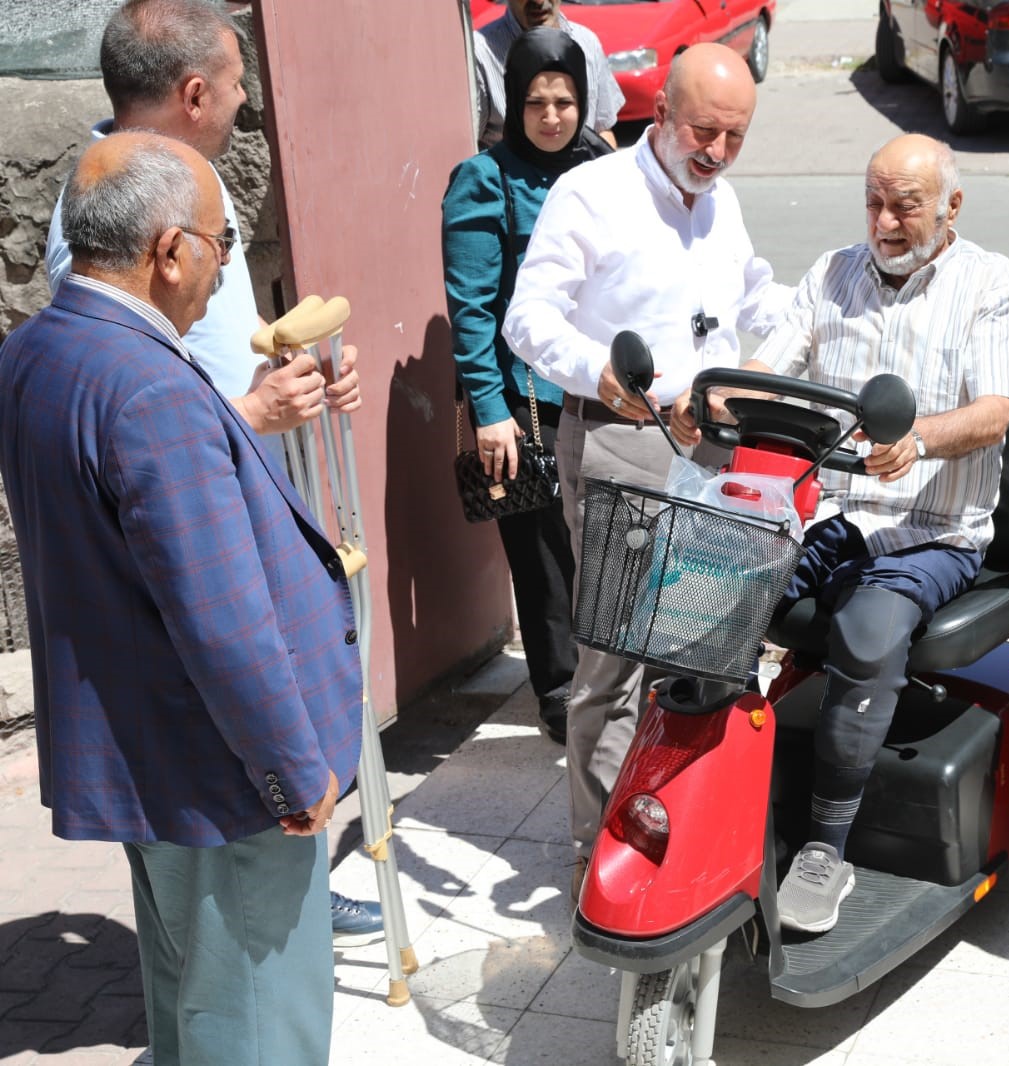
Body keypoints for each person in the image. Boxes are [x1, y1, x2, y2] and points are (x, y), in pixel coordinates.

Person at [1, 131, 363, 1066]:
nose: (222, 268)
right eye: (220, 245)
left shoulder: (39, 349)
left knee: (192, 1007)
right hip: (225, 776)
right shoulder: (149, 386)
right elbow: (220, 617)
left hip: (150, 759)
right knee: (255, 1024)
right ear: (168, 252)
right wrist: (294, 770)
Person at [41, 0, 381, 941]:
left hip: (231, 474)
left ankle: (290, 876)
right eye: (236, 82)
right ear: (194, 91)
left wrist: (289, 379)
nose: (243, 100)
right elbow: (128, 429)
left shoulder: (186, 189)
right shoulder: (109, 215)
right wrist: (249, 415)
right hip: (199, 528)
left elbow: (203, 360)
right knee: (240, 950)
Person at [670, 133, 1009, 934]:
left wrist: (921, 439)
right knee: (705, 596)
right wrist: (713, 400)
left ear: (950, 206)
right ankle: (707, 789)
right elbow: (771, 366)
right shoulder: (831, 273)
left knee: (867, 635)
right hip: (830, 514)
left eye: (905, 205)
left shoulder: (991, 283)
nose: (884, 221)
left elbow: (998, 409)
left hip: (932, 529)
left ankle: (825, 850)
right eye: (873, 202)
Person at [502, 42, 792, 895]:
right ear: (660, 113)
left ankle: (686, 819)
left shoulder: (723, 199)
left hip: (712, 446)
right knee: (614, 657)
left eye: (736, 137)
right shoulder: (590, 193)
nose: (718, 152)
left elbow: (754, 299)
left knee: (708, 641)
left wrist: (808, 328)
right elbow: (528, 319)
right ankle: (602, 853)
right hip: (623, 437)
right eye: (705, 130)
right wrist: (605, 374)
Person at [443, 28, 612, 744]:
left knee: (605, 547)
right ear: (514, 102)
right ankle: (558, 688)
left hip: (600, 392)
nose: (551, 116)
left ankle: (610, 679)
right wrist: (488, 408)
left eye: (565, 101)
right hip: (526, 404)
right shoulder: (484, 178)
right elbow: (471, 306)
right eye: (536, 102)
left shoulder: (603, 168)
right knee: (542, 557)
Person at [475, 0, 622, 150]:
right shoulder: (480, 53)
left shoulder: (587, 42)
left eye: (564, 103)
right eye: (535, 103)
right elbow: (470, 146)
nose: (539, 1)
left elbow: (602, 130)